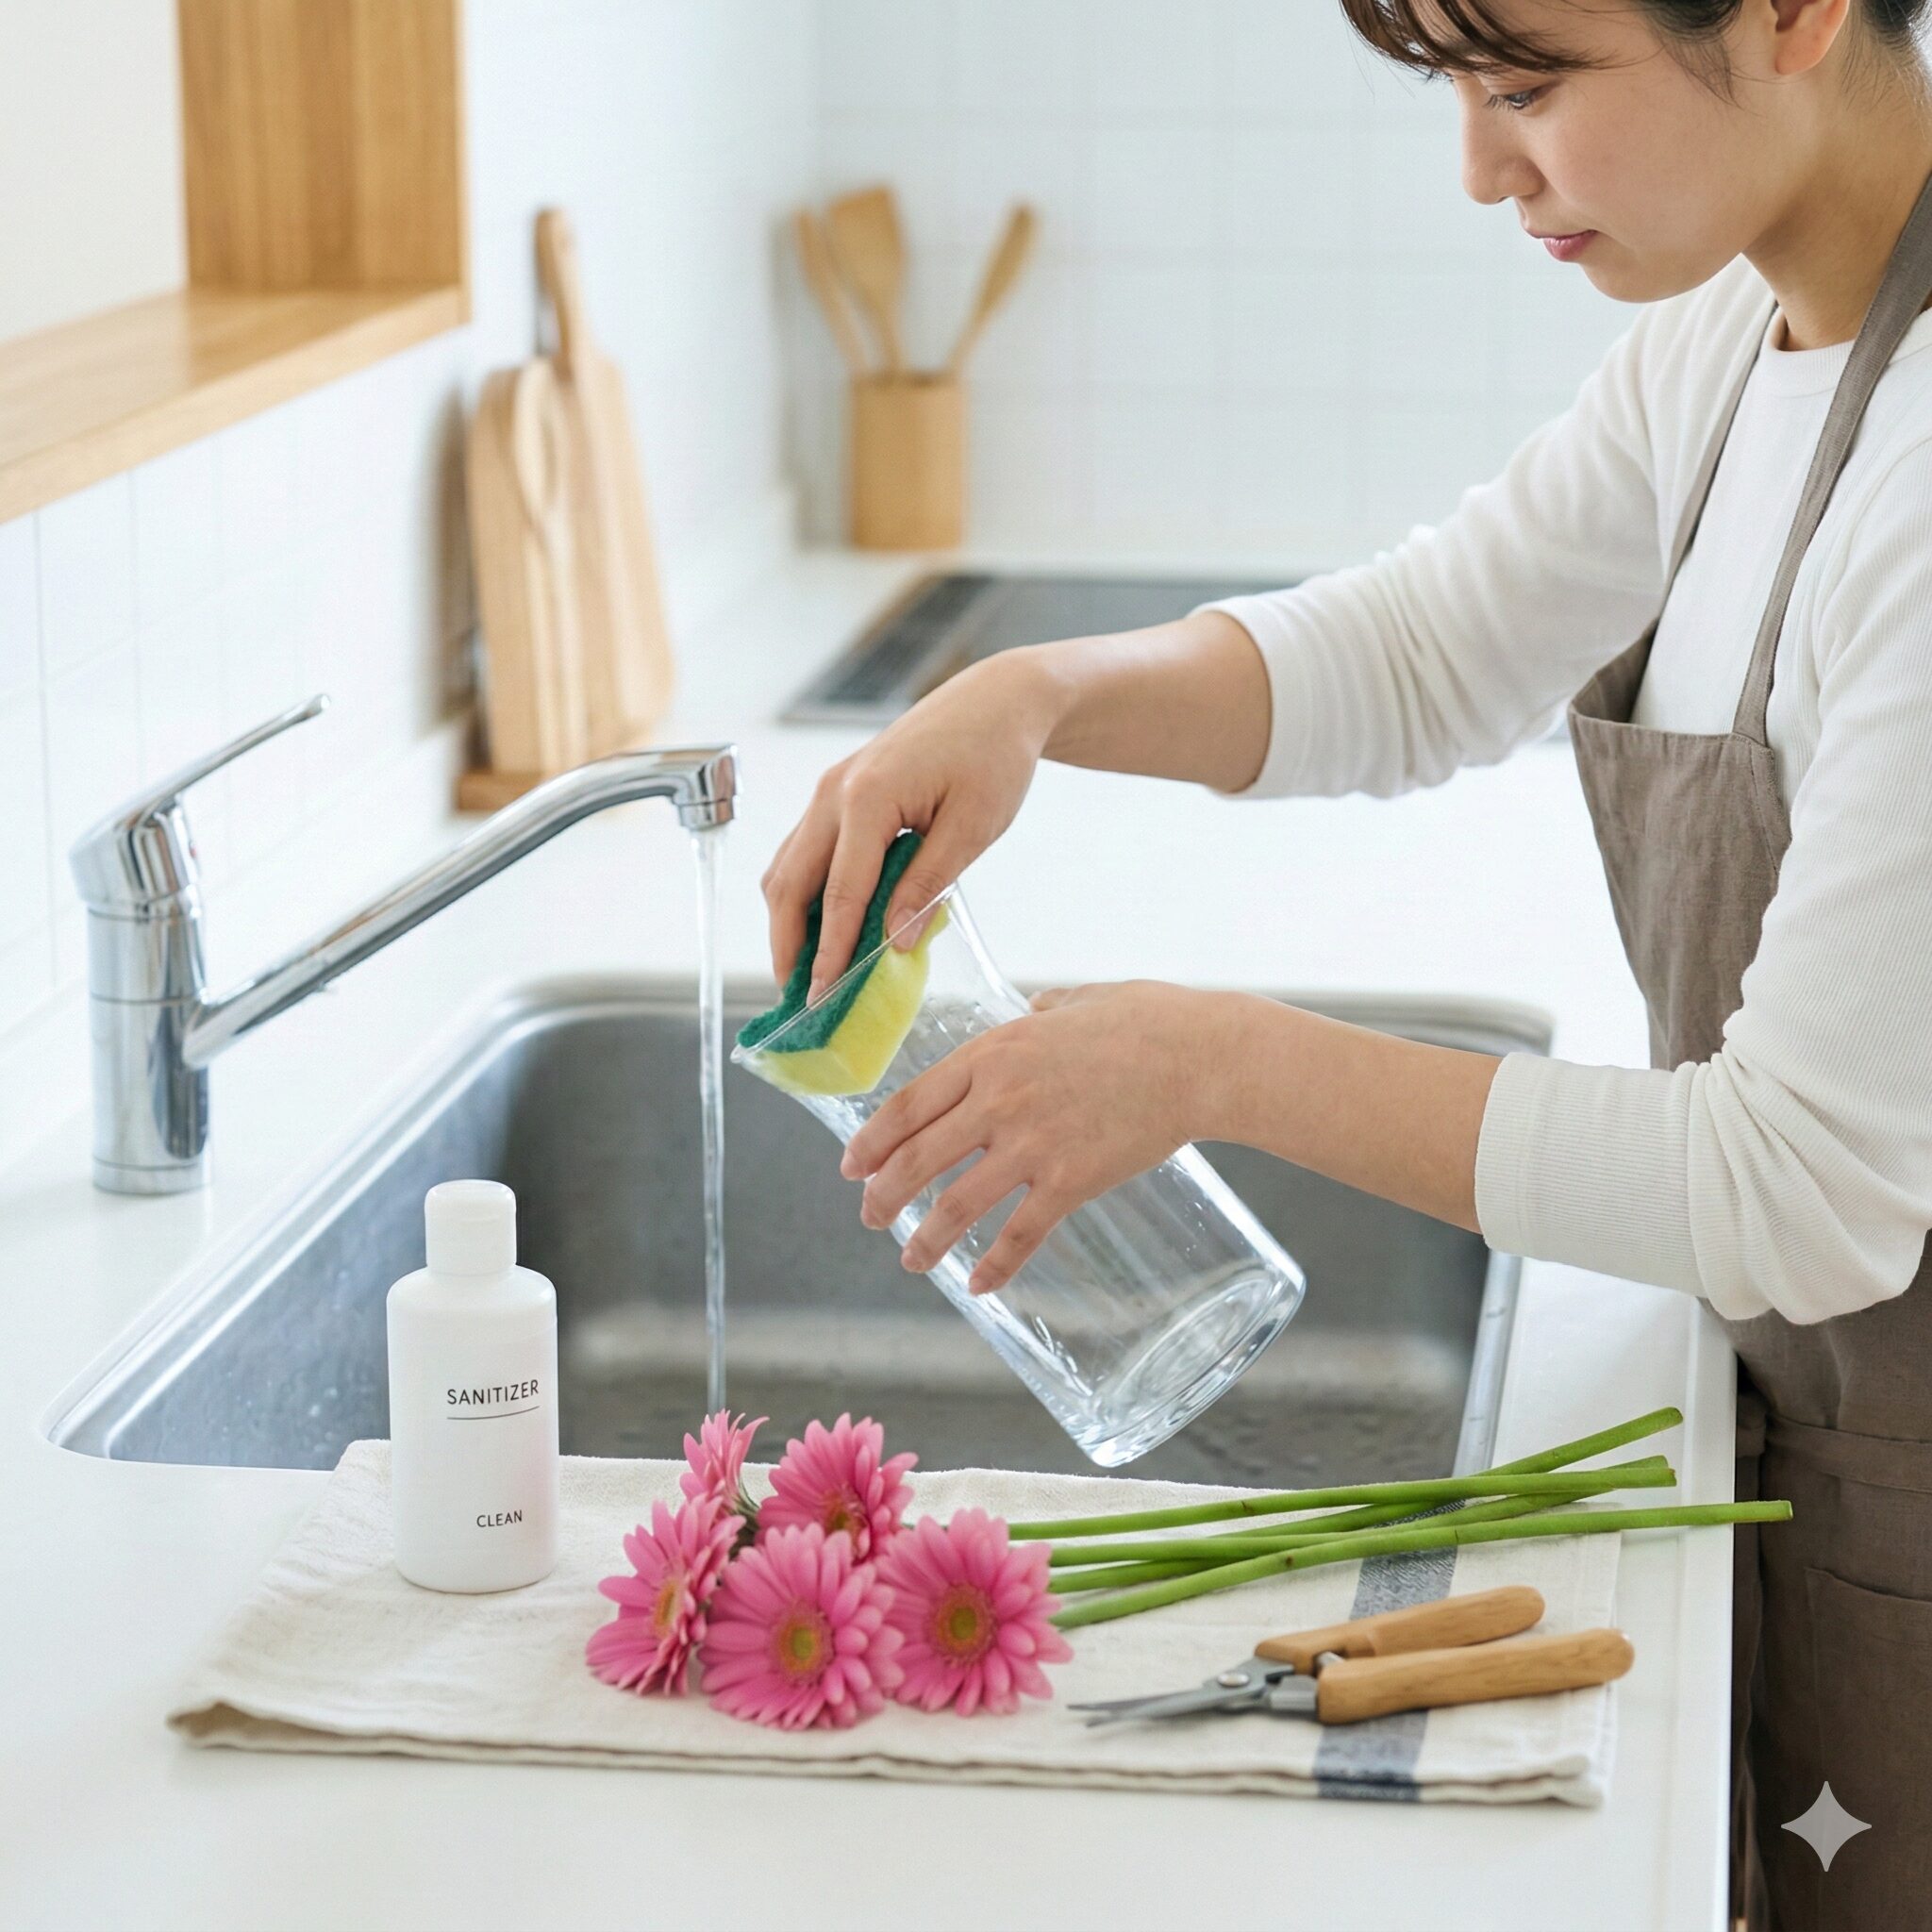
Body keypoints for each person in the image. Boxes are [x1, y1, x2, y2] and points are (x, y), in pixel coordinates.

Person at [762, 4, 1932, 1924]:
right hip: (1823, 1448)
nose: (1481, 168)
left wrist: (1213, 1065)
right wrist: (1032, 691)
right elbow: (1426, 648)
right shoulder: (1736, 340)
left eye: (1527, 85)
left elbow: (1795, 1187)